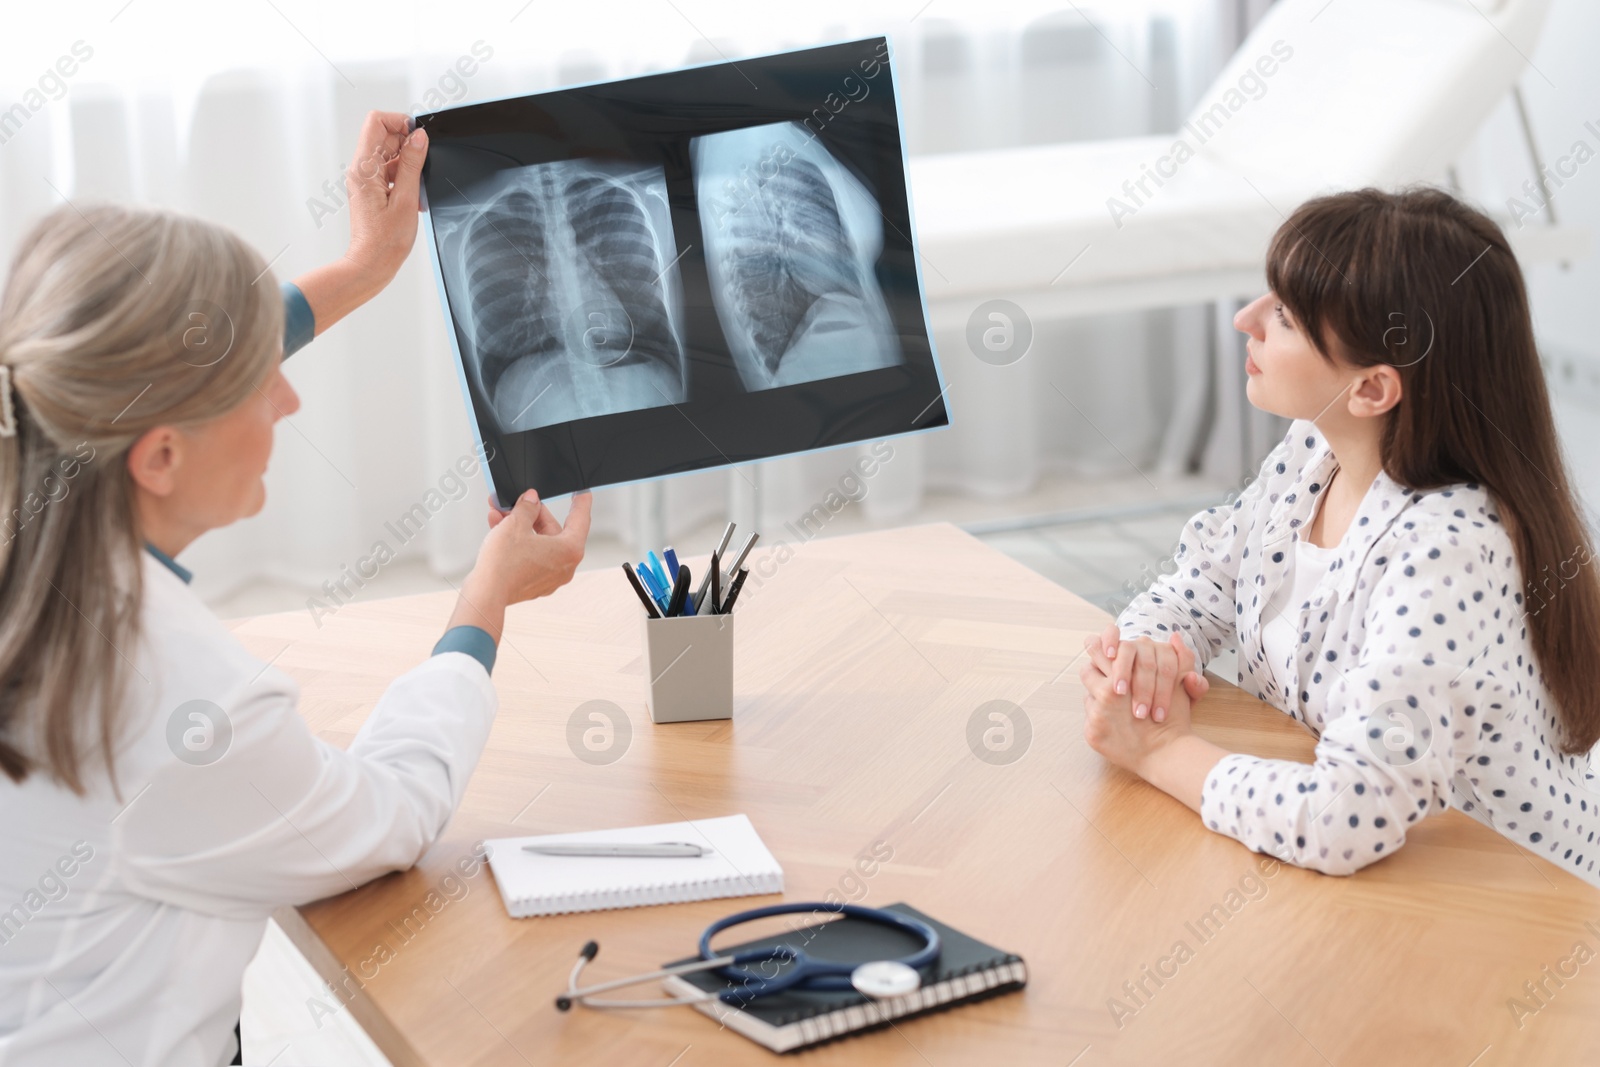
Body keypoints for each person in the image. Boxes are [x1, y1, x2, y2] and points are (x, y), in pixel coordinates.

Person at [0, 112, 592, 1066]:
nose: (289, 398)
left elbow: (170, 349)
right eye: (261, 381)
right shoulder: (177, 697)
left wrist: (366, 263)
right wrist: (486, 600)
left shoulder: (37, 442)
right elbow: (393, 816)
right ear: (157, 455)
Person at [1079, 186, 1600, 883]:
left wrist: (1158, 751)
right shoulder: (1313, 451)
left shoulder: (1449, 551)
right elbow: (1202, 585)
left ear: (1372, 390)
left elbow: (1345, 820)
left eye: (1285, 316)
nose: (1246, 319)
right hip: (1372, 878)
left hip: (1505, 906)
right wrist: (1146, 657)